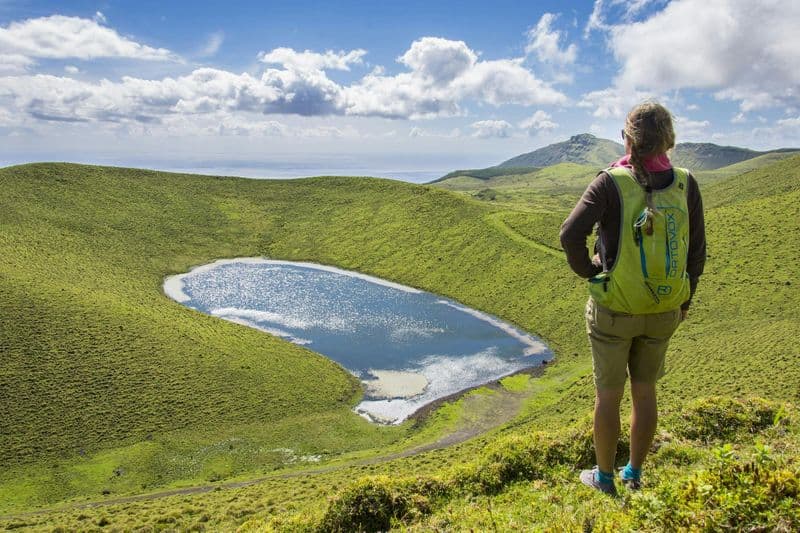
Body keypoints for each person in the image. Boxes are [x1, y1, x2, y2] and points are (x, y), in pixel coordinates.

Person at [559, 101, 707, 495]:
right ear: (669, 139)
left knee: (608, 395)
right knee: (645, 391)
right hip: (664, 309)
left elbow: (570, 235)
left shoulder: (610, 181)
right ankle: (634, 473)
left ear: (628, 137)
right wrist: (684, 300)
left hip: (615, 307)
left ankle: (604, 478)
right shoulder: (686, 182)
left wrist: (592, 272)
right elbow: (697, 251)